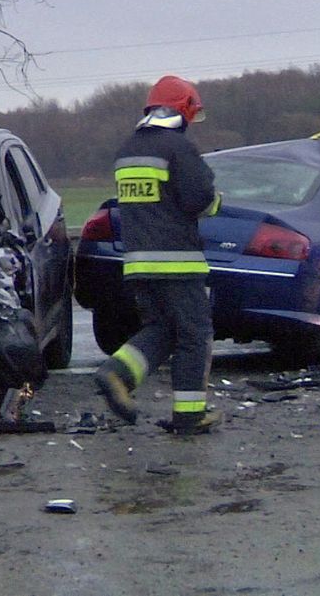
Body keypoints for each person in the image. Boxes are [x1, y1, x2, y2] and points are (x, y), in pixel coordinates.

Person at [92, 75, 222, 435]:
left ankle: (116, 373)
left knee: (162, 329)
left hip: (138, 262)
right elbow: (198, 200)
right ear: (183, 112)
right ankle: (190, 415)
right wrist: (216, 201)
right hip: (178, 260)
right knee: (196, 334)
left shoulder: (127, 150)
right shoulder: (179, 149)